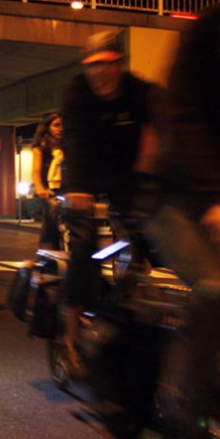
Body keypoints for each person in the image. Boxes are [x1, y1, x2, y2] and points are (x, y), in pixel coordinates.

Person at [142, 0, 220, 439]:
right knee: (213, 289)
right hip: (179, 197)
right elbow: (187, 122)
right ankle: (187, 418)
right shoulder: (203, 37)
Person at [60, 30, 163, 378]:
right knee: (84, 247)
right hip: (84, 182)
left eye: (107, 64)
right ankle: (72, 341)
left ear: (120, 64)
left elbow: (158, 136)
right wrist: (75, 189)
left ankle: (134, 319)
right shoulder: (76, 94)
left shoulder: (140, 92)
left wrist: (150, 183)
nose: (100, 73)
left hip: (125, 181)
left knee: (144, 244)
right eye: (92, 66)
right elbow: (73, 142)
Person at [31, 113, 64, 249]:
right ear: (48, 128)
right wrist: (40, 188)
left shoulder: (70, 144)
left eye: (63, 125)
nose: (60, 128)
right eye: (56, 125)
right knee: (50, 222)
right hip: (49, 190)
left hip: (68, 189)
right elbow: (36, 172)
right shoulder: (41, 148)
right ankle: (47, 259)